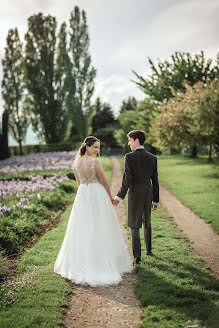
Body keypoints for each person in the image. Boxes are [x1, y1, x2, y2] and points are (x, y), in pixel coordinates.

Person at [54, 136, 132, 287]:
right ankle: (100, 260)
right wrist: (110, 198)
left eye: (99, 147)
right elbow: (103, 181)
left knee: (84, 227)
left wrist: (84, 195)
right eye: (95, 147)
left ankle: (87, 258)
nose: (97, 150)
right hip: (97, 193)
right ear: (87, 147)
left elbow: (79, 183)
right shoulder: (95, 161)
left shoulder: (76, 162)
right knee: (101, 225)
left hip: (83, 195)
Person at [113, 130, 159, 265]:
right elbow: (155, 181)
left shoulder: (129, 157)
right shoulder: (152, 157)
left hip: (135, 195)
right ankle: (149, 250)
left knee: (134, 225)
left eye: (130, 140)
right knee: (147, 222)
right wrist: (155, 200)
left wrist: (119, 197)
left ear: (136, 140)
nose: (129, 143)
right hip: (148, 193)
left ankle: (137, 256)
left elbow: (127, 180)